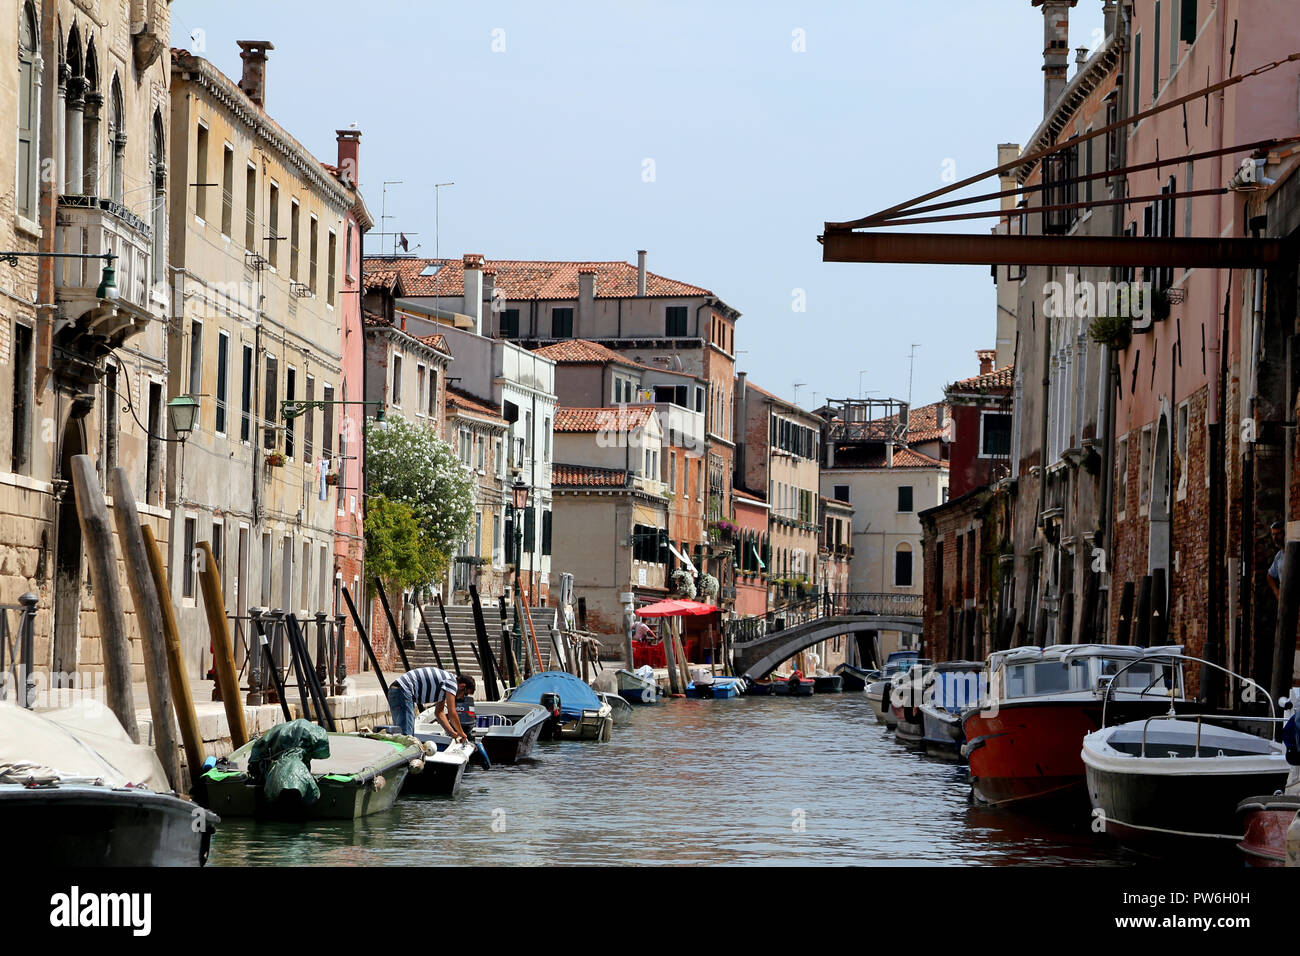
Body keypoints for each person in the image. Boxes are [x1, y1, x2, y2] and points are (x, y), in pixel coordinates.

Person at [387, 666, 473, 742]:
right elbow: (452, 713)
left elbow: (439, 713)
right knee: (406, 735)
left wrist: (453, 733)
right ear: (462, 686)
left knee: (400, 732)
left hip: (396, 690)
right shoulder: (452, 683)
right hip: (403, 690)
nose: (462, 698)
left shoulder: (446, 686)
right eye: (465, 694)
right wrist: (462, 733)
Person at [1268, 521, 1286, 600]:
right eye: (1273, 534)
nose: (1275, 538)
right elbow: (1269, 575)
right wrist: (1276, 592)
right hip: (1284, 598)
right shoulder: (1279, 555)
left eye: (1278, 534)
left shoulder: (1293, 553)